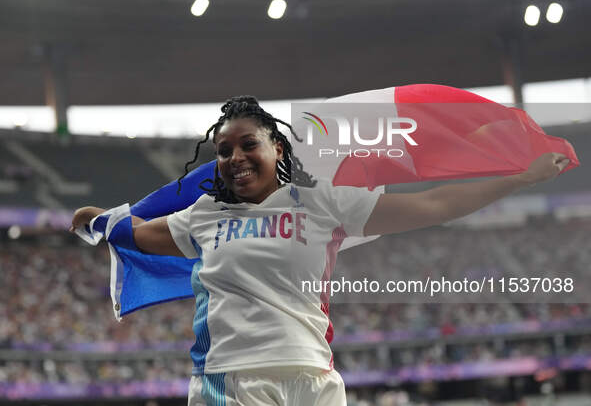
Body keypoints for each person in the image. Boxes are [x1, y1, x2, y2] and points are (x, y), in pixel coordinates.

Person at [71, 96, 570, 406]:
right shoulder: (203, 215)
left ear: (278, 150)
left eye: (248, 145)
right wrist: (94, 220)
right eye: (223, 152)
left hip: (315, 381)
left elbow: (434, 203)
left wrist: (521, 178)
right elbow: (133, 231)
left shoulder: (322, 203)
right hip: (232, 381)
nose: (234, 158)